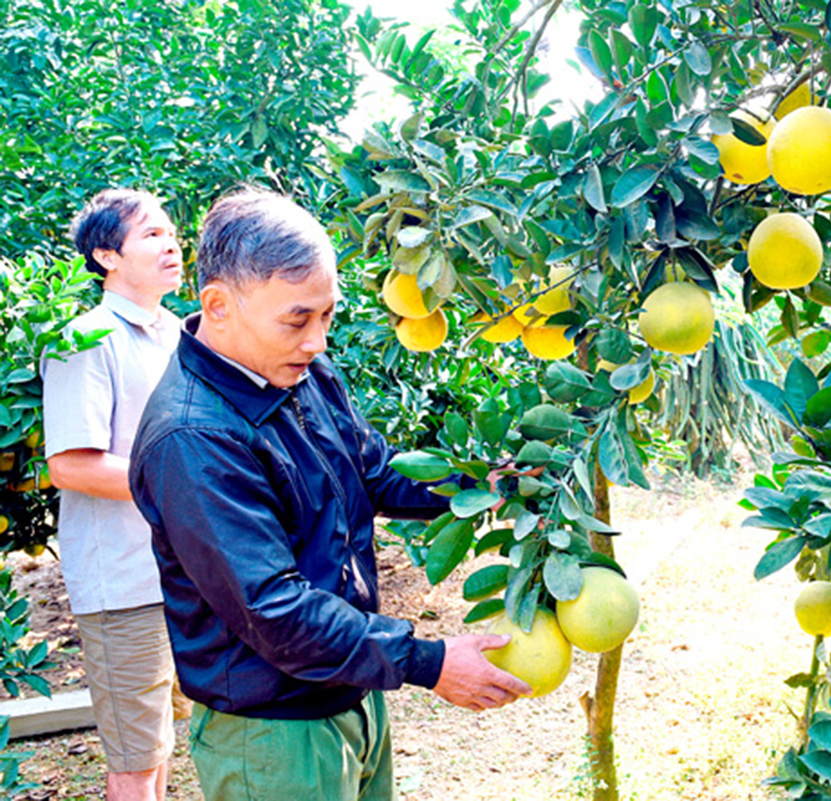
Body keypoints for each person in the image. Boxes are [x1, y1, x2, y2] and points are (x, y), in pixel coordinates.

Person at [128, 189, 530, 800]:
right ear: (219, 304)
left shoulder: (299, 369)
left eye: (327, 316)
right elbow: (273, 607)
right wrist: (429, 661)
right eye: (297, 319)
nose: (317, 340)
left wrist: (483, 484)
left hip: (351, 692)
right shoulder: (193, 437)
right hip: (274, 732)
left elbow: (372, 470)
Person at [42, 189, 185, 801]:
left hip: (182, 571)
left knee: (163, 741)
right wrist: (184, 484)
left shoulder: (180, 334)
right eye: (151, 234)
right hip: (123, 582)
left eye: (171, 231)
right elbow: (71, 465)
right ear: (106, 255)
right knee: (133, 756)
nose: (172, 242)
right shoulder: (86, 340)